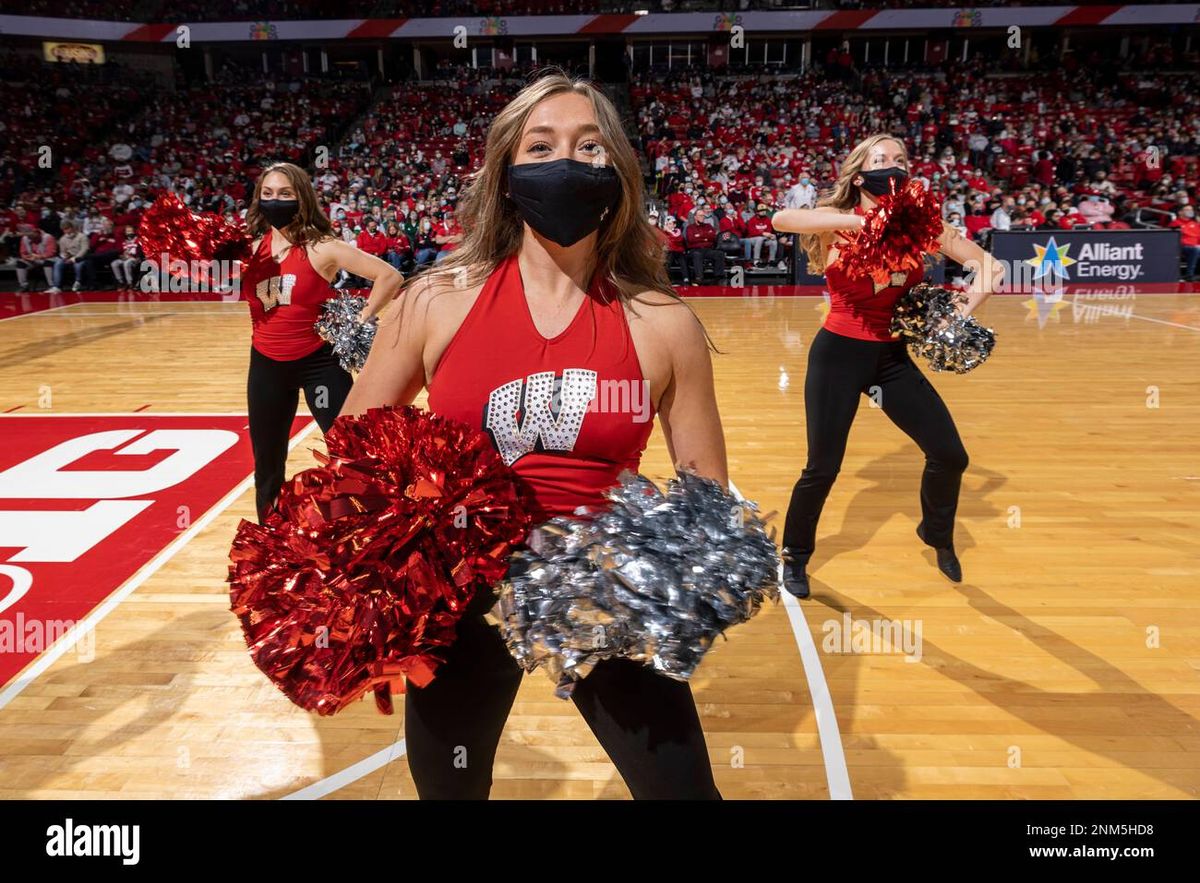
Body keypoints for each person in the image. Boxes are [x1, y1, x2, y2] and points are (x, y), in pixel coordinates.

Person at [339, 69, 727, 800]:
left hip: (598, 589)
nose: (566, 162)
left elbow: (706, 495)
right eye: (540, 145)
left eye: (589, 147)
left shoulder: (665, 325)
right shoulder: (435, 301)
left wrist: (659, 565)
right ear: (506, 175)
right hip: (464, 595)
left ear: (616, 171)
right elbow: (353, 452)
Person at [772, 134, 1002, 596]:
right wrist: (865, 219)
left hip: (892, 358)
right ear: (860, 175)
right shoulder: (835, 223)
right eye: (882, 160)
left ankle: (935, 534)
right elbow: (782, 218)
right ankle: (795, 556)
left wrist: (957, 317)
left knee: (950, 454)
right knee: (823, 466)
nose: (894, 166)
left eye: (901, 159)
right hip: (838, 354)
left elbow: (990, 266)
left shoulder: (920, 226)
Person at [241, 162, 402, 523]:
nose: (275, 200)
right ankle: (271, 536)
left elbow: (389, 276)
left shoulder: (322, 247)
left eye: (285, 194)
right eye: (267, 194)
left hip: (319, 362)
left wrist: (360, 323)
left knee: (348, 449)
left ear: (301, 197)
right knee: (267, 460)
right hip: (266, 364)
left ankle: (365, 528)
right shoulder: (250, 249)